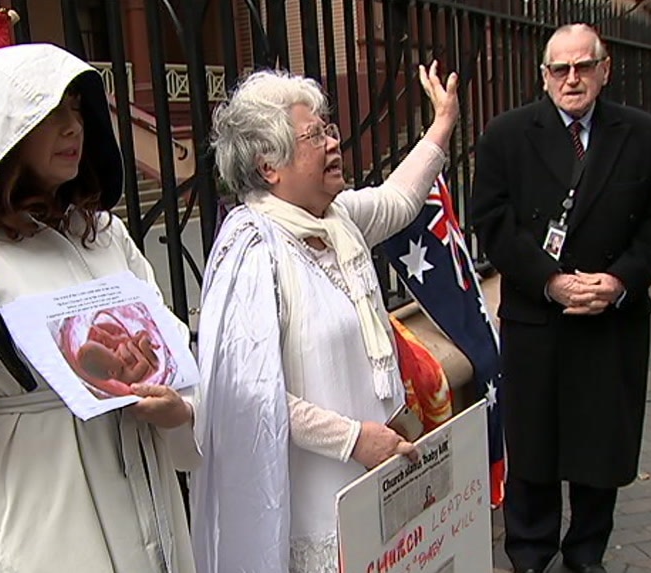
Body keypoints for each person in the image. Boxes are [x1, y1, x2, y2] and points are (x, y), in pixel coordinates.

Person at [0, 44, 199, 572]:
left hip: (140, 472)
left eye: (76, 109)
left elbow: (171, 347)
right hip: (43, 496)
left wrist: (180, 409)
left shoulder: (105, 237)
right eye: (52, 114)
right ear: (1, 133)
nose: (74, 127)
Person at [191, 64, 458, 573]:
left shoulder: (336, 219)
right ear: (269, 164)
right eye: (316, 135)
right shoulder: (254, 250)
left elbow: (400, 199)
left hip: (374, 477)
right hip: (316, 498)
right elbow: (246, 390)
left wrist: (442, 124)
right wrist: (353, 437)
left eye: (329, 128)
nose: (334, 142)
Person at [471, 24, 651, 573]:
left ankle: (586, 556)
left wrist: (617, 284)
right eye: (559, 69)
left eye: (583, 66)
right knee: (534, 450)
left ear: (603, 70)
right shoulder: (505, 135)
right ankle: (531, 556)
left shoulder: (645, 135)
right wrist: (549, 280)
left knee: (600, 448)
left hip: (611, 321)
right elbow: (492, 222)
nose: (571, 79)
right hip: (538, 319)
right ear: (544, 76)